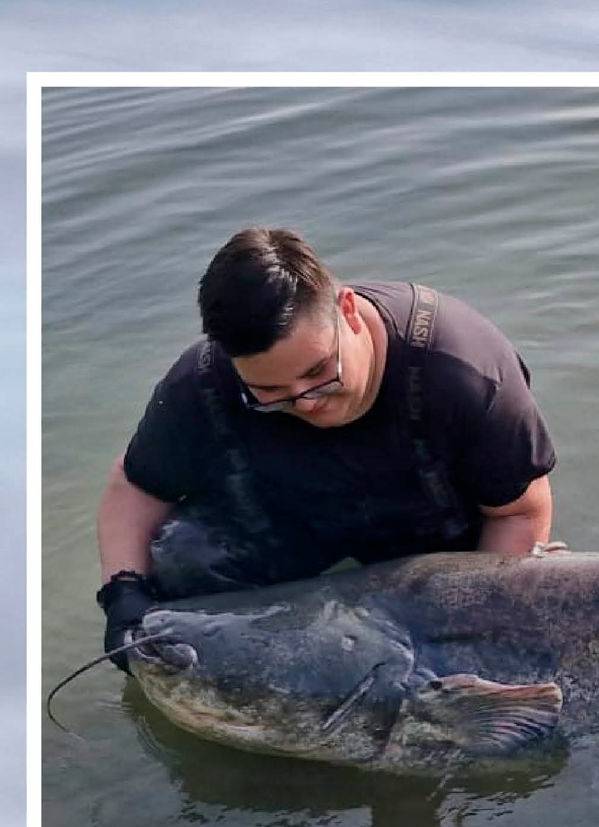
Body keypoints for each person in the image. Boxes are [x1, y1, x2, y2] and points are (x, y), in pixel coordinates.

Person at [93, 228, 555, 666]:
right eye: (271, 391)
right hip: (305, 520)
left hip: (437, 537)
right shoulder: (203, 381)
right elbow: (136, 487)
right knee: (177, 554)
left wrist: (472, 627)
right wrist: (123, 596)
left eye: (318, 373)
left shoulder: (461, 368)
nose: (307, 401)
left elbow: (518, 511)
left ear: (348, 311)